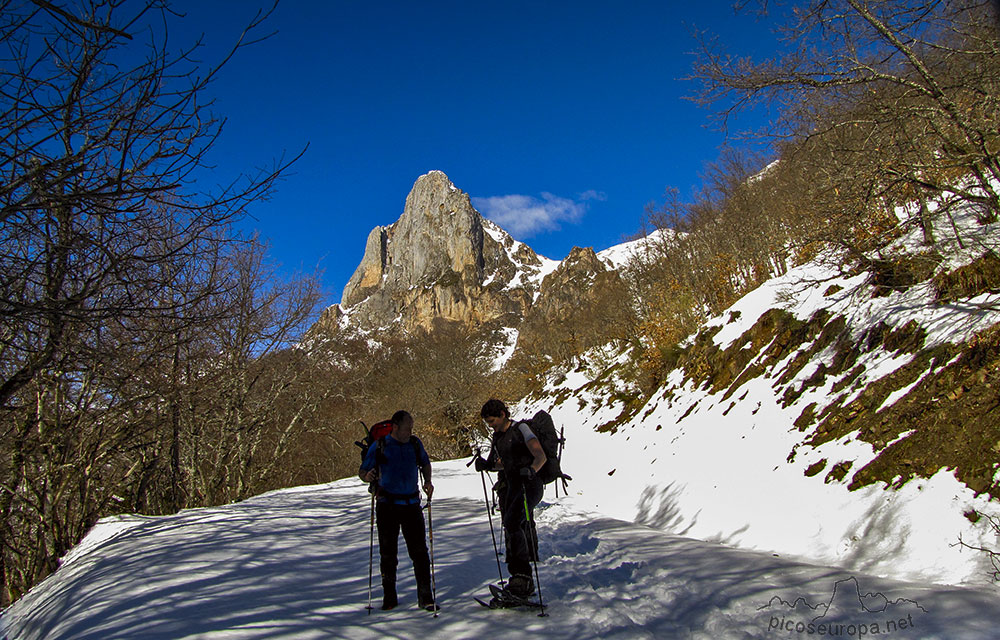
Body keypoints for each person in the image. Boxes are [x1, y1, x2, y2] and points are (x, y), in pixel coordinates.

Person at [359, 410, 436, 611]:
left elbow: (425, 463)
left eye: (411, 428)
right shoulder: (380, 445)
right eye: (406, 428)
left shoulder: (414, 444)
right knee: (388, 554)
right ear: (395, 427)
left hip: (411, 504)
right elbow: (362, 471)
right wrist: (368, 476)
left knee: (420, 552)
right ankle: (389, 596)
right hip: (387, 505)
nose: (410, 432)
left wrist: (428, 481)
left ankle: (426, 596)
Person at [474, 399, 546, 598]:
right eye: (488, 422)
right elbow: (502, 464)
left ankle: (523, 577)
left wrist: (531, 471)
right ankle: (519, 578)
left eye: (492, 421)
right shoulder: (498, 437)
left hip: (530, 485)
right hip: (513, 485)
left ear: (502, 415)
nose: (490, 425)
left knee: (514, 522)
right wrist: (486, 466)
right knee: (511, 524)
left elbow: (540, 456)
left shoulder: (521, 429)